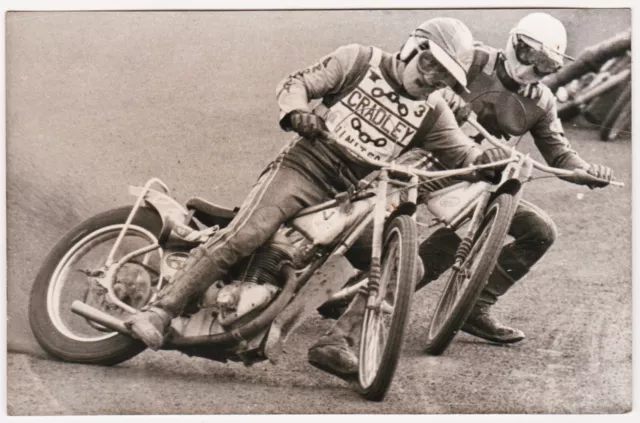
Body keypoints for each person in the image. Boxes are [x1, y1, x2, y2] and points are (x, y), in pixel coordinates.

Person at [125, 18, 502, 377]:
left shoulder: (433, 111)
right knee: (247, 233)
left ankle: (339, 342)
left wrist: (485, 161)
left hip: (349, 196)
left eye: (443, 76)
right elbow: (297, 82)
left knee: (408, 266)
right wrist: (298, 113)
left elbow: (462, 153)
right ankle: (160, 310)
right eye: (428, 63)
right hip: (302, 168)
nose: (430, 78)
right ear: (411, 48)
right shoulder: (359, 60)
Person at [415, 12, 615, 345]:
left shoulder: (542, 101)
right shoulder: (473, 59)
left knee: (539, 231)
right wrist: (446, 100)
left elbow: (559, 152)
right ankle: (356, 287)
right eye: (527, 54)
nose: (530, 69)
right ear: (514, 41)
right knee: (380, 207)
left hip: (477, 184)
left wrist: (587, 172)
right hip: (425, 158)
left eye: (544, 65)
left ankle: (474, 306)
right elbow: (417, 83)